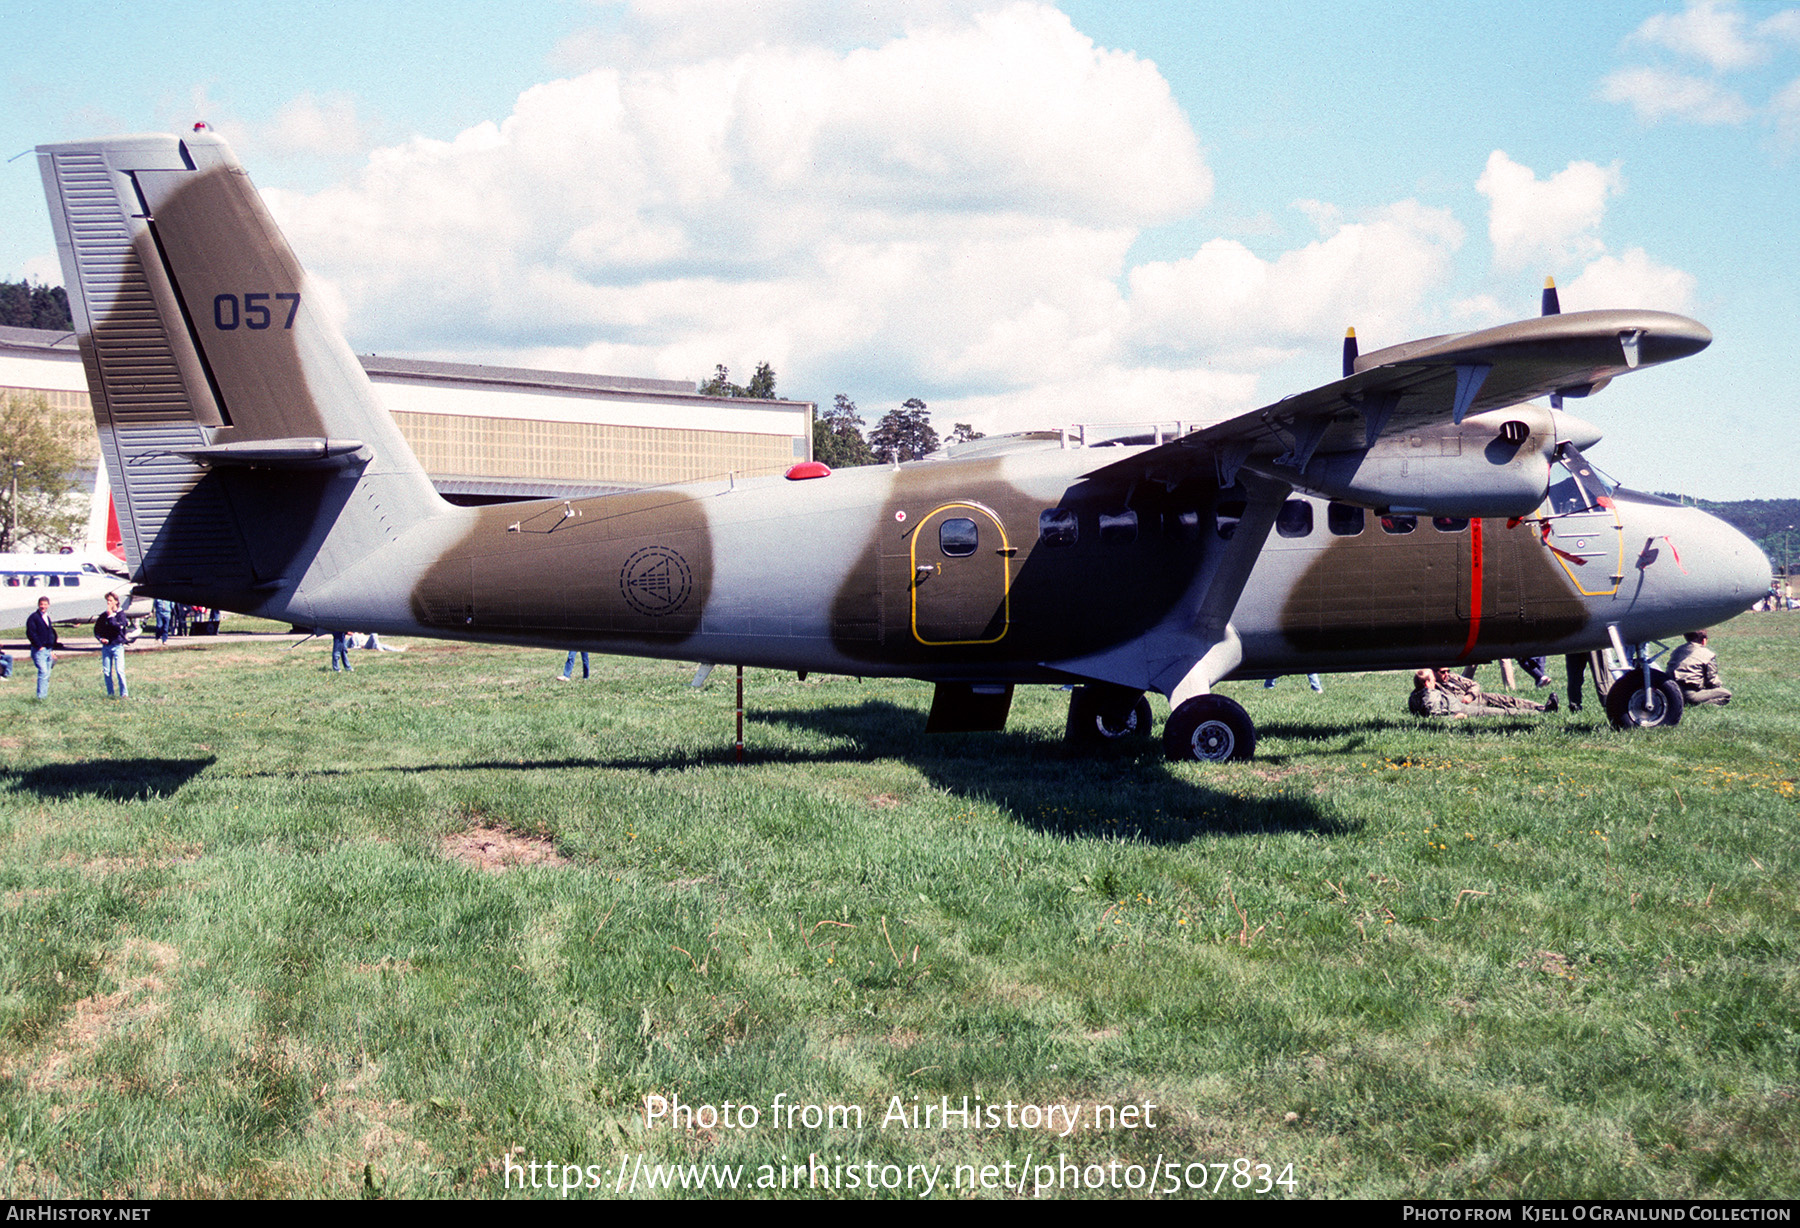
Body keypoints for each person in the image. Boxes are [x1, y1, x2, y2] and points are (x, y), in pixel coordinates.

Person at [1410, 668, 1557, 718]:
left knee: (1510, 700)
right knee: (1504, 712)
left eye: (1448, 671)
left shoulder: (1452, 678)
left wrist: (1471, 694)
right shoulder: (1433, 691)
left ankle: (1541, 707)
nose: (1446, 674)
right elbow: (1433, 711)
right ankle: (1539, 713)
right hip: (1466, 706)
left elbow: (1474, 684)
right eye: (1442, 672)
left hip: (1477, 698)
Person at [1666, 630, 1730, 706]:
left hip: (1671, 692)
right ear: (1704, 640)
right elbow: (1712, 680)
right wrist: (1716, 689)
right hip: (1690, 694)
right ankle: (1698, 705)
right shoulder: (1707, 654)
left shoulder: (1677, 650)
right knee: (1726, 694)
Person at [94, 591, 131, 698]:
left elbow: (117, 627)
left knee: (119, 671)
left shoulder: (121, 615)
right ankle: (110, 693)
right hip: (106, 647)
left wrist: (111, 616)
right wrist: (101, 638)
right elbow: (97, 629)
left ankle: (124, 693)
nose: (109, 603)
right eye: (107, 601)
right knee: (107, 672)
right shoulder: (104, 616)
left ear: (116, 602)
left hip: (117, 646)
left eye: (111, 601)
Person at [26, 596, 63, 699]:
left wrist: (51, 649)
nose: (43, 606)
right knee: (43, 672)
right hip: (39, 650)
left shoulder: (47, 617)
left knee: (47, 674)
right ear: (38, 605)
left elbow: (49, 633)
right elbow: (30, 633)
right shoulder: (33, 617)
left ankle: (44, 696)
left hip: (48, 650)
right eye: (41, 604)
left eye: (45, 604)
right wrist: (39, 646)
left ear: (48, 605)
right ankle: (41, 697)